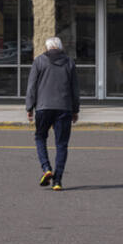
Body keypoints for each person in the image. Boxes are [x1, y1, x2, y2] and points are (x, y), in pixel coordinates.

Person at [26, 36, 79, 190]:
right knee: (61, 144)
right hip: (64, 108)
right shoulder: (69, 62)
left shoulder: (39, 61)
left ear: (47, 47)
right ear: (60, 47)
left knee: (40, 137)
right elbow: (75, 89)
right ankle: (57, 180)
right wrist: (75, 110)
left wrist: (29, 108)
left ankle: (46, 168)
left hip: (43, 107)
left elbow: (31, 87)